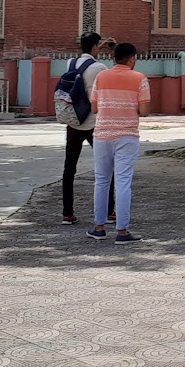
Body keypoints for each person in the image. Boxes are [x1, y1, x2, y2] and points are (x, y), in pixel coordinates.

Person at [87, 41, 150, 243]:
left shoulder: (101, 76)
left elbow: (95, 108)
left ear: (114, 58)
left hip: (102, 134)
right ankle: (122, 231)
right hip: (127, 135)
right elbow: (145, 111)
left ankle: (99, 227)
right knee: (123, 182)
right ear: (132, 59)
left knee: (102, 180)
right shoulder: (139, 79)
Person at [59, 32, 109, 225]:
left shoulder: (70, 63)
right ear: (96, 46)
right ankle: (110, 210)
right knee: (105, 166)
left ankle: (67, 212)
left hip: (73, 121)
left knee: (69, 168)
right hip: (92, 122)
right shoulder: (99, 67)